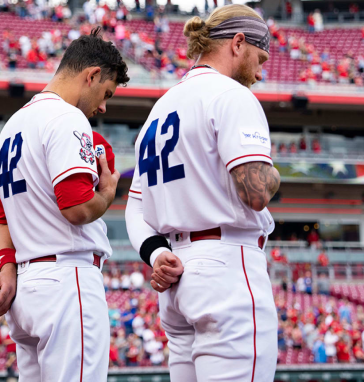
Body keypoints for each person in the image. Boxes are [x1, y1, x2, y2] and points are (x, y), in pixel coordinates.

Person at [126, 5, 280, 381]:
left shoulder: (159, 109)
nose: (260, 72)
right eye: (260, 58)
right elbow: (256, 192)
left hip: (176, 273)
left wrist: (157, 252)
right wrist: (275, 173)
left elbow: (135, 208)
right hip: (226, 270)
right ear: (238, 43)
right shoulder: (232, 95)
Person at [0, 26, 128, 381]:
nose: (104, 105)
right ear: (91, 75)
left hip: (27, 287)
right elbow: (77, 208)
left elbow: (0, 222)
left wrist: (6, 267)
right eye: (105, 92)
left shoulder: (12, 127)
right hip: (67, 281)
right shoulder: (67, 117)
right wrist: (107, 192)